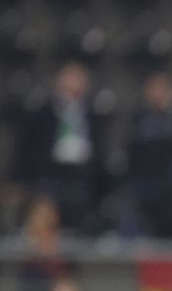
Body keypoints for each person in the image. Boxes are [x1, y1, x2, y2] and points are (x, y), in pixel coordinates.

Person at [12, 62, 107, 234]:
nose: (74, 82)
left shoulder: (93, 114)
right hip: (50, 177)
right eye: (70, 76)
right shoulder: (42, 112)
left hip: (81, 178)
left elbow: (100, 151)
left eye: (79, 77)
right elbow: (27, 148)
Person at [124, 72, 172, 239]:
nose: (158, 94)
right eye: (154, 90)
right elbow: (132, 156)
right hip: (146, 189)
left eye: (163, 89)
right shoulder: (138, 121)